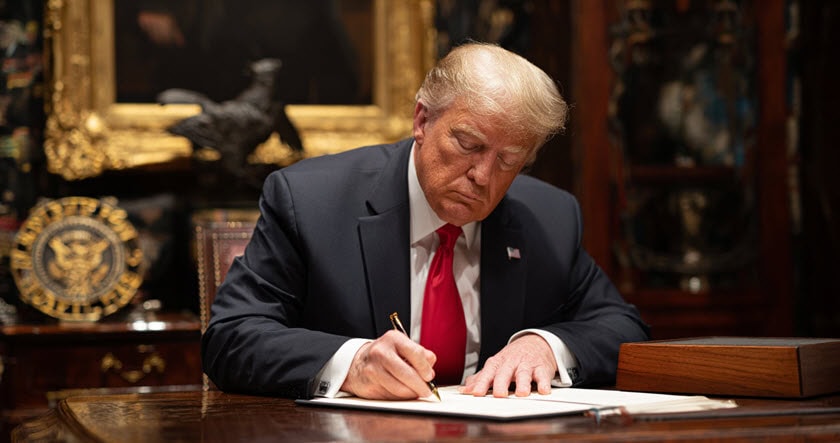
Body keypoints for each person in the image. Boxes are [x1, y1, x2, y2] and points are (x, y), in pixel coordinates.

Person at [202, 42, 650, 400]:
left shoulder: (549, 217)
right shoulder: (310, 201)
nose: (482, 176)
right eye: (468, 144)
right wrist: (352, 363)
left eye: (509, 161)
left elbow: (623, 327)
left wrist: (545, 346)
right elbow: (231, 337)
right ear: (422, 119)